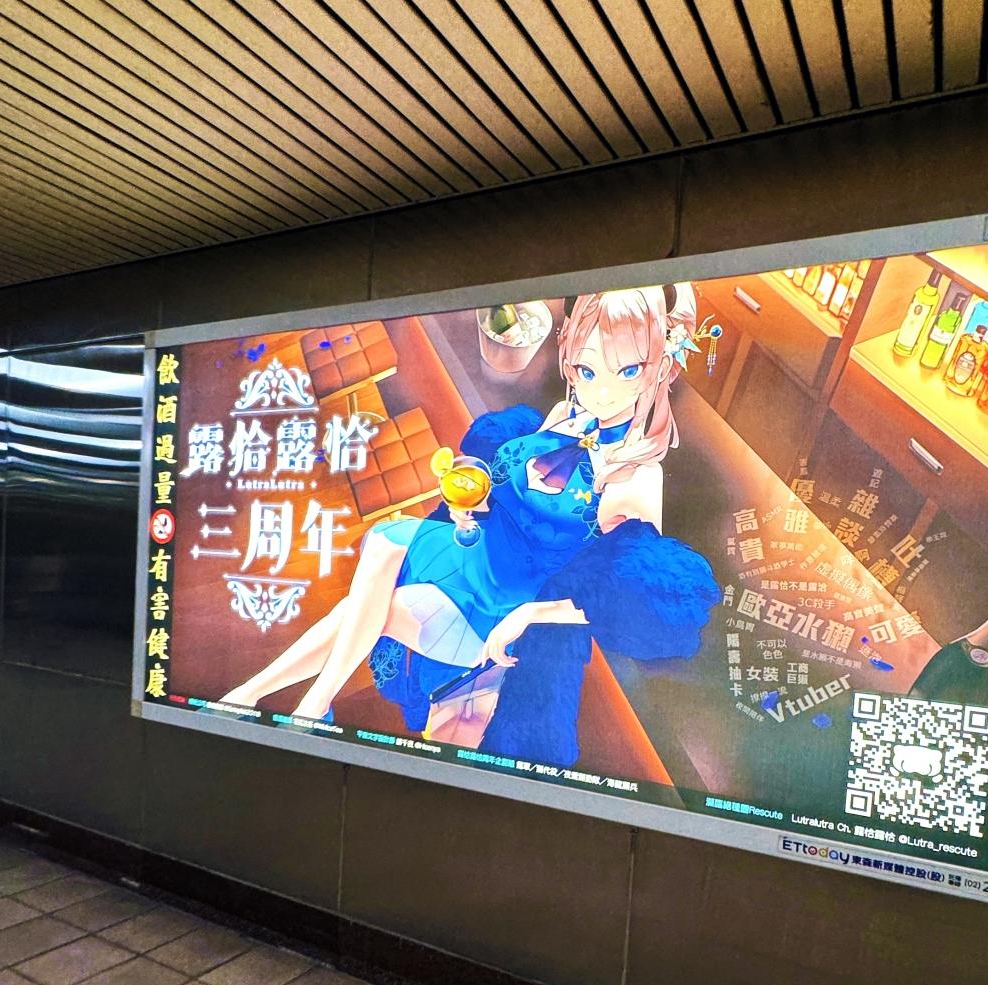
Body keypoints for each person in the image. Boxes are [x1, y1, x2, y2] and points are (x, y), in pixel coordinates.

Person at [221, 284, 715, 740]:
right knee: (387, 543)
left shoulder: (638, 476)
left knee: (368, 610)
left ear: (657, 368)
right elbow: (513, 495)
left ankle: (288, 700)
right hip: (465, 549)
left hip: (494, 607)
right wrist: (473, 503)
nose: (601, 390)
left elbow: (622, 600)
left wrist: (528, 616)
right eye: (587, 370)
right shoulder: (566, 415)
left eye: (626, 371)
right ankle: (288, 701)